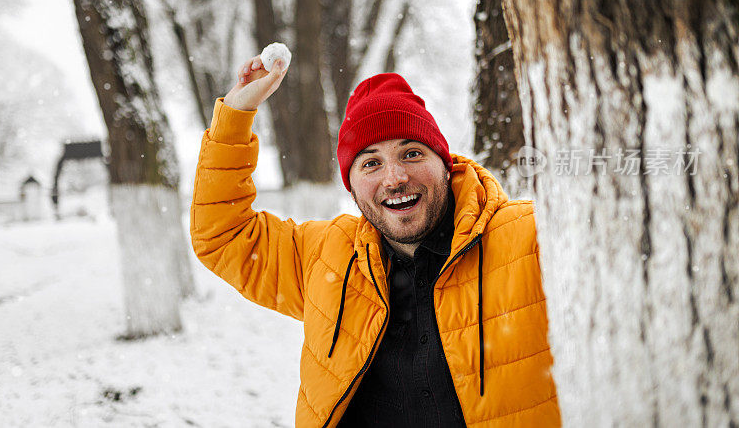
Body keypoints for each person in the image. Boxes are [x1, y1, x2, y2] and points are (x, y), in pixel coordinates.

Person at [190, 55, 560, 427]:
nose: (395, 178)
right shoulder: (327, 256)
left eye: (412, 153)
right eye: (370, 163)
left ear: (445, 164)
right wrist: (237, 113)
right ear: (352, 187)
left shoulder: (526, 235)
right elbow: (223, 234)